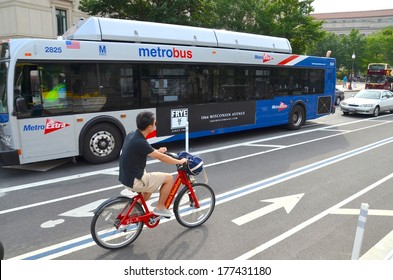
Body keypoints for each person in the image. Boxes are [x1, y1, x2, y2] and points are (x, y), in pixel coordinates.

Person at [119, 111, 187, 217]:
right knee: (169, 178)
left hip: (125, 177)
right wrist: (179, 161)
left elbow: (145, 150)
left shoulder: (132, 135)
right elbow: (161, 158)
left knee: (148, 191)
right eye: (155, 123)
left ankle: (128, 213)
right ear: (150, 127)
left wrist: (157, 151)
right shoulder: (141, 142)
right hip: (136, 180)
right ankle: (160, 207)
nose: (156, 124)